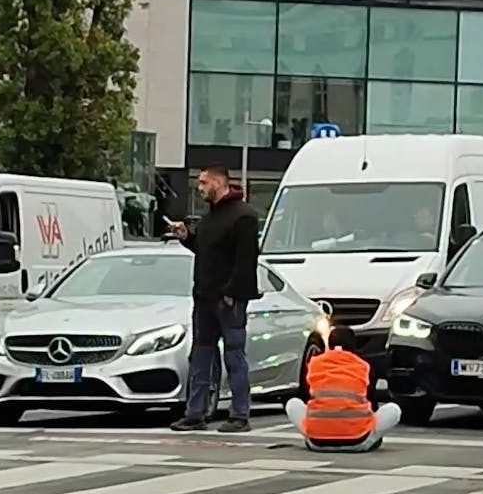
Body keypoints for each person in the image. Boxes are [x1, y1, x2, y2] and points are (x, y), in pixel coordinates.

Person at [166, 164, 261, 433]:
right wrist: (187, 238)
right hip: (205, 298)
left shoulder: (244, 217)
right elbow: (207, 252)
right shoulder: (209, 219)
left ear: (219, 183)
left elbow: (246, 261)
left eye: (204, 183)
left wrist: (232, 294)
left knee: (234, 355)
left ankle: (239, 414)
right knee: (200, 356)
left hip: (228, 300)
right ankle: (195, 413)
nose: (200, 188)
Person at [284, 324, 400, 452]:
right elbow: (371, 401)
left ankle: (316, 433)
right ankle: (369, 438)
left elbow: (306, 398)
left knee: (293, 404)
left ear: (329, 343)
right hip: (358, 440)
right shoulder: (363, 365)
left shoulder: (314, 363)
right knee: (393, 409)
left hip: (317, 441)